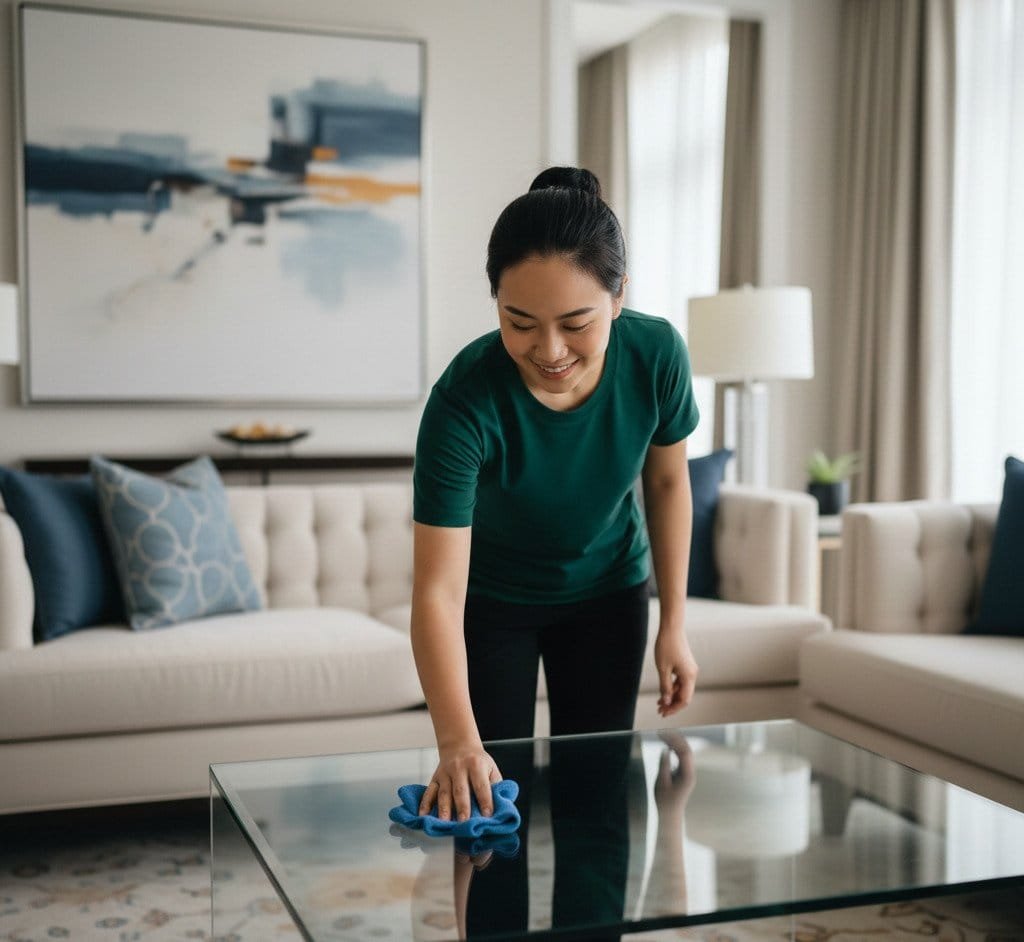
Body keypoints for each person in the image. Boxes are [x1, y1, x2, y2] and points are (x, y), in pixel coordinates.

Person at [410, 166, 700, 825]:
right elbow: (436, 591)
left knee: (599, 805)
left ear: (619, 294)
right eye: (520, 322)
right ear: (495, 304)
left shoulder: (656, 355)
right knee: (485, 804)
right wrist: (456, 741)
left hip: (609, 594)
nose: (548, 349)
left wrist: (673, 623)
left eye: (576, 323)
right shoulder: (464, 401)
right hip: (493, 605)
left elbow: (665, 480)